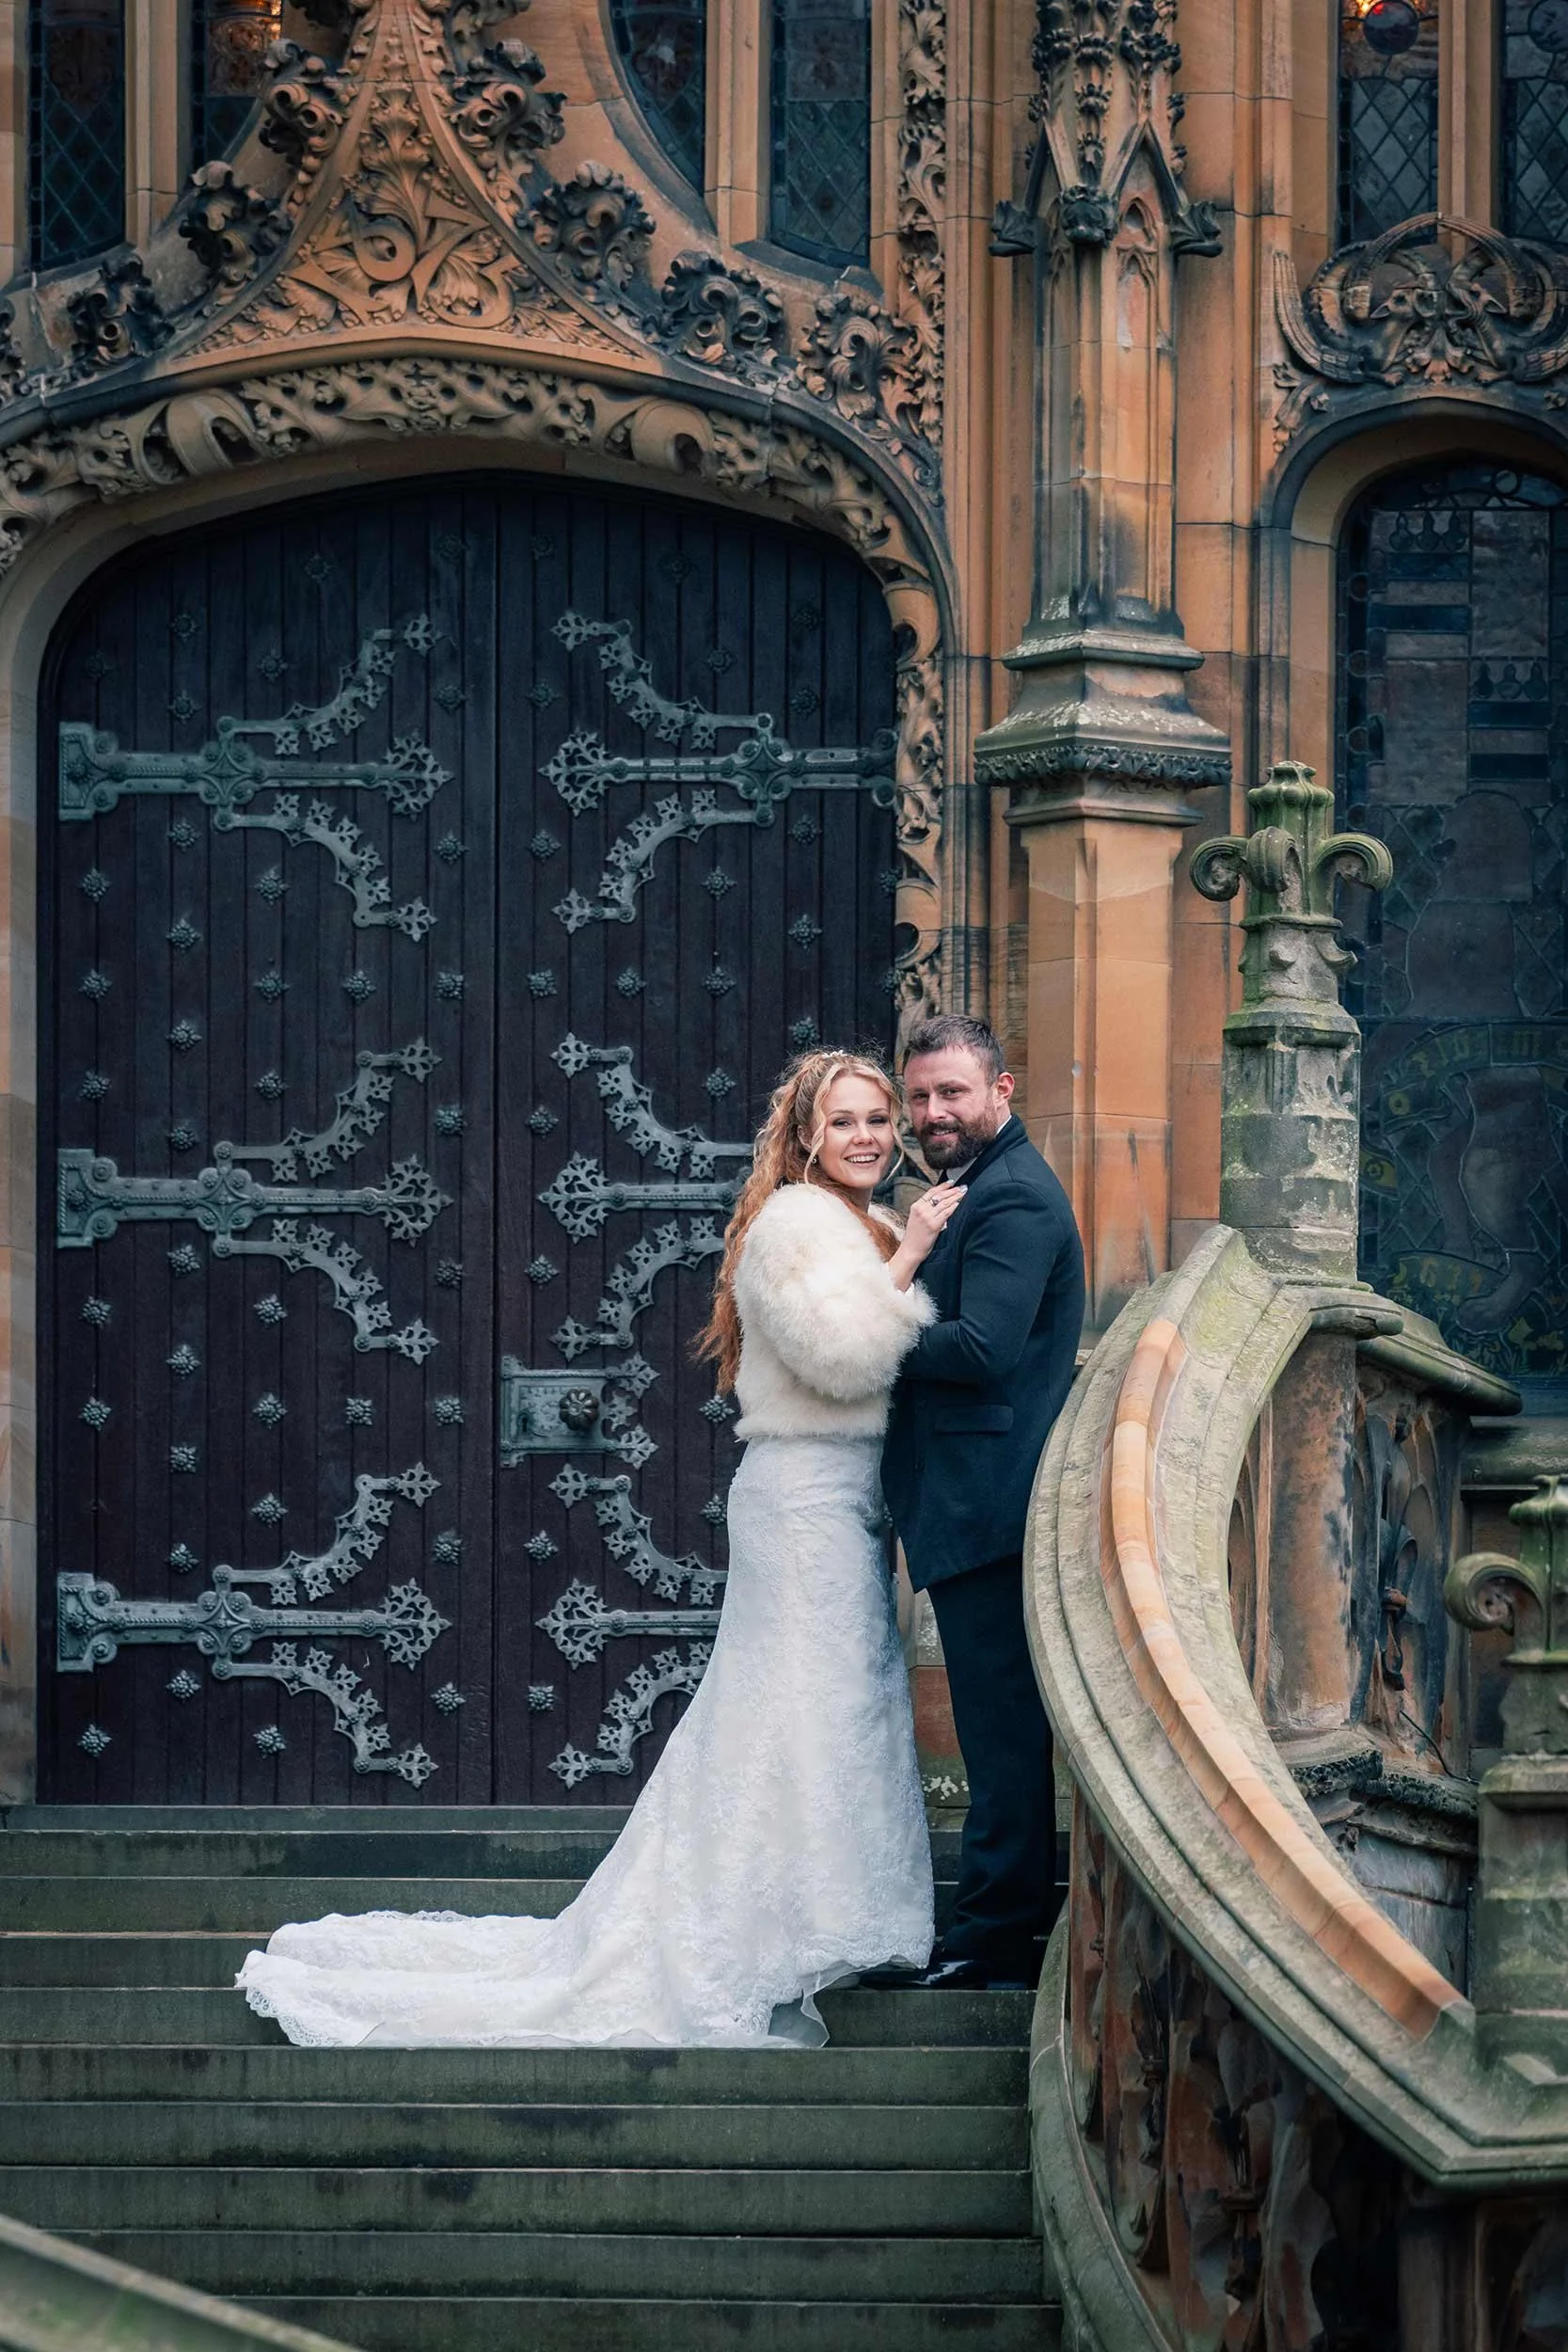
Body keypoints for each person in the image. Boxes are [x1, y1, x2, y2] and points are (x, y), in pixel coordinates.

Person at [235, 1049, 964, 2048]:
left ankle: (817, 1921)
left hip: (850, 1502)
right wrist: (914, 1254)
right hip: (797, 1497)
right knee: (794, 1710)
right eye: (844, 1120)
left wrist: (899, 1245)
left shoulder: (867, 1223)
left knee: (834, 1707)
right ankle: (747, 1937)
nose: (869, 1136)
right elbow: (841, 1359)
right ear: (803, 1134)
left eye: (879, 1118)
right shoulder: (795, 1224)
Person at [868, 1013, 1085, 1993]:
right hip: (966, 1498)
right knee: (997, 1726)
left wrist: (862, 1326)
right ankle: (996, 1927)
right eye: (917, 1096)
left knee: (998, 1733)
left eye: (951, 1092)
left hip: (989, 1503)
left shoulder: (1014, 1201)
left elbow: (981, 1349)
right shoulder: (972, 1189)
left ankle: (993, 1940)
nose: (929, 1112)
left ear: (1001, 1090)